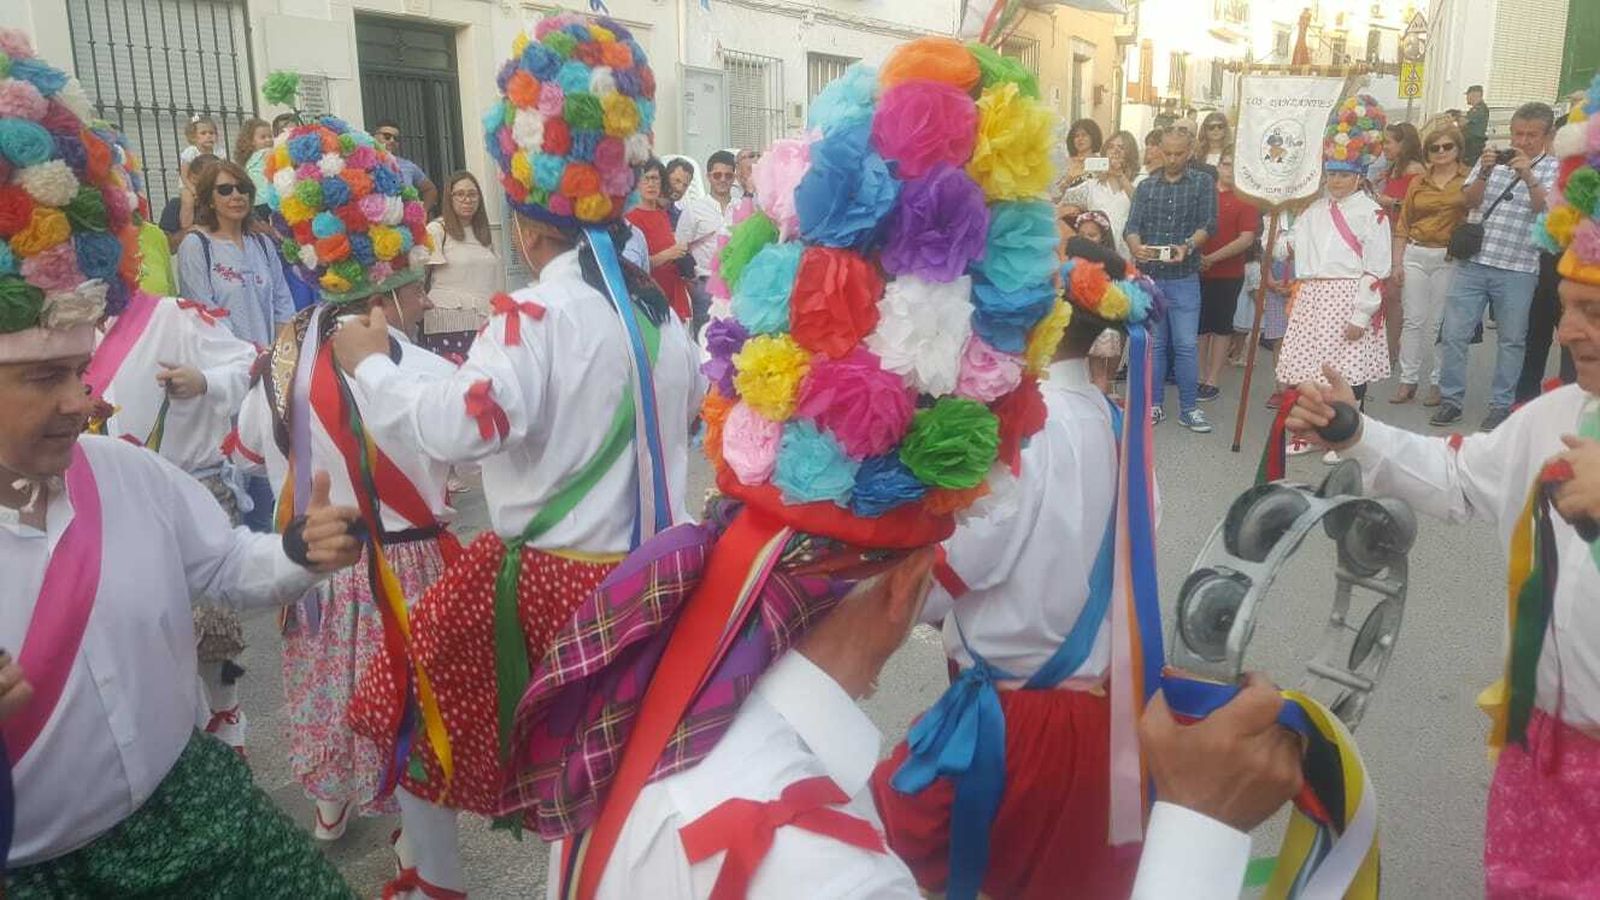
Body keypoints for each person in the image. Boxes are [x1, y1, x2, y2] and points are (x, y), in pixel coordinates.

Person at [329, 16, 701, 897]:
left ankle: (435, 880)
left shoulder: (532, 318)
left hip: (547, 583)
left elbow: (465, 430)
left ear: (526, 230)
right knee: (603, 761)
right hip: (649, 573)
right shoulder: (657, 314)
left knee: (408, 702)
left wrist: (372, 369)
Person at [0, 31, 363, 895]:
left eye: (80, 371)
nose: (81, 400)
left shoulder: (124, 473)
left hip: (197, 805)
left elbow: (230, 563)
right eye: (44, 377)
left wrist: (299, 553)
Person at [1283, 85, 1600, 895]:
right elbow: (1461, 477)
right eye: (1567, 308)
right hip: (1546, 749)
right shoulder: (1555, 416)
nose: (1567, 333)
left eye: (1592, 311)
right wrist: (1358, 433)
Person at [869, 239, 1162, 899]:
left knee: (878, 841)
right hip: (1101, 714)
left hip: (1018, 723)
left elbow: (959, 567)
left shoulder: (1031, 428)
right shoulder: (1118, 423)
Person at [228, 115, 459, 847]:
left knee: (326, 690)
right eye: (418, 285)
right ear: (386, 291)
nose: (426, 298)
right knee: (403, 699)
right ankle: (411, 833)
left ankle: (331, 805)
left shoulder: (285, 355)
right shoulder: (423, 373)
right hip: (404, 564)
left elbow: (243, 449)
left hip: (319, 561)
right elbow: (464, 452)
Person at [1276, 94, 1392, 465]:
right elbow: (1291, 246)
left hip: (1347, 297)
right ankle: (1314, 431)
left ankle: (1348, 433)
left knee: (1347, 372)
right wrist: (1277, 241)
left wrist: (1362, 314)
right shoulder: (1314, 210)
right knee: (1310, 370)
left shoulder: (1371, 214)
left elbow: (1376, 270)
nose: (1336, 181)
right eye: (1332, 174)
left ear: (1358, 176)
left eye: (1343, 174)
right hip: (1312, 297)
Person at [1432, 101, 1559, 431]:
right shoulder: (1491, 160)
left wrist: (1528, 174)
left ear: (1547, 136)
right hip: (1474, 263)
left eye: (1532, 135)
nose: (1524, 141)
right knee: (1455, 334)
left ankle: (1502, 405)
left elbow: (1544, 209)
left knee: (1512, 340)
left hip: (1519, 267)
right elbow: (1469, 201)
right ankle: (1451, 400)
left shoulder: (1554, 168)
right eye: (1518, 133)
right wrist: (1487, 170)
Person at [1126, 126, 1217, 432]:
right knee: (1156, 345)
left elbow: (1208, 224)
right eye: (1167, 153)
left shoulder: (1203, 182)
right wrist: (1136, 246)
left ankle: (1189, 408)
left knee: (1186, 346)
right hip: (1152, 277)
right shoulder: (1146, 186)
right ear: (1158, 149)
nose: (1173, 159)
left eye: (1179, 153)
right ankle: (1154, 405)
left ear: (1190, 151)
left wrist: (1188, 246)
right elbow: (1132, 227)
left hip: (1184, 276)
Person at [175, 160, 296, 348]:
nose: (236, 195)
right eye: (225, 190)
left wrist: (275, 354)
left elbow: (283, 304)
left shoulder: (263, 244)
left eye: (242, 188)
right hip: (224, 364)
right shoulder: (196, 245)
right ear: (209, 199)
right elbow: (203, 312)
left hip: (269, 363)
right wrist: (244, 357)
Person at [1391, 124, 1469, 405]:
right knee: (1413, 320)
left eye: (1447, 146)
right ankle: (1407, 379)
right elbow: (1404, 222)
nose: (1441, 152)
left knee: (1439, 323)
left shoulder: (1468, 179)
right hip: (1416, 252)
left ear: (1458, 149)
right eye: (1434, 148)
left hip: (1448, 256)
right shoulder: (1418, 182)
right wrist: (1397, 261)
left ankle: (1437, 380)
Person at [420, 170, 503, 358]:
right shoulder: (436, 229)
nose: (467, 199)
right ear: (449, 198)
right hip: (447, 326)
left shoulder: (485, 234)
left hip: (485, 324)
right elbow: (419, 276)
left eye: (472, 194)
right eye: (460, 194)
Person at [1197, 154, 1260, 401]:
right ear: (1218, 165)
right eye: (1226, 163)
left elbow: (1245, 239)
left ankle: (1213, 378)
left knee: (1221, 326)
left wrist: (1212, 258)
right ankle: (1200, 376)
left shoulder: (1246, 200)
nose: (1230, 169)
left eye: (1236, 165)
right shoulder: (1204, 193)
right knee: (1200, 327)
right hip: (1198, 269)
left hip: (1227, 272)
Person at [674, 152, 734, 338]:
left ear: (733, 177)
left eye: (728, 175)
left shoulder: (742, 207)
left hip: (735, 286)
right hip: (705, 286)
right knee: (705, 343)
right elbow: (680, 249)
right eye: (717, 175)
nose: (722, 179)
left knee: (734, 341)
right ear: (708, 176)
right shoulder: (694, 210)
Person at [626, 158, 691, 321]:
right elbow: (634, 267)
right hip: (651, 300)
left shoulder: (662, 213)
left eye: (655, 178)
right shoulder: (630, 218)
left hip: (675, 294)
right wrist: (669, 254)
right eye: (644, 178)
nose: (651, 184)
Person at [1063, 130, 1139, 257]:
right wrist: (1069, 178)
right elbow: (1060, 202)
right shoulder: (1091, 185)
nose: (1115, 151)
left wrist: (1120, 175)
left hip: (1126, 256)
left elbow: (1140, 204)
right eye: (1111, 147)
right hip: (1095, 255)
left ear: (1129, 154)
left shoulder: (1138, 182)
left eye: (1121, 148)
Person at [372, 118, 441, 213]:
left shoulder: (408, 166)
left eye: (396, 139)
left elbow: (430, 189)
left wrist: (423, 212)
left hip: (404, 224)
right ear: (374, 137)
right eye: (387, 136)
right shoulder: (363, 163)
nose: (392, 141)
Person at [159, 151, 219, 253]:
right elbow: (168, 247)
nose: (196, 190)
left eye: (203, 185)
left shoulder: (224, 206)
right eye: (193, 183)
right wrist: (191, 227)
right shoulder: (176, 205)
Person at [235, 116, 273, 208]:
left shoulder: (248, 160)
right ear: (251, 141)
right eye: (263, 137)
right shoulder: (266, 153)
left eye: (270, 136)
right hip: (268, 200)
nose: (268, 140)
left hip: (255, 202)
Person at [179, 113, 218, 178]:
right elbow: (184, 176)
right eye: (203, 133)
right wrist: (192, 188)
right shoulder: (190, 152)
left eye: (211, 133)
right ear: (193, 136)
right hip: (191, 185)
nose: (208, 136)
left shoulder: (219, 152)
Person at [1464, 85, 1491, 163]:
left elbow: (1464, 122)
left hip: (1474, 143)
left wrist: (1455, 118)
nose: (1467, 98)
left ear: (1474, 95)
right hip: (1471, 142)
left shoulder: (1480, 109)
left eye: (1468, 95)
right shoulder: (1475, 109)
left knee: (1470, 164)